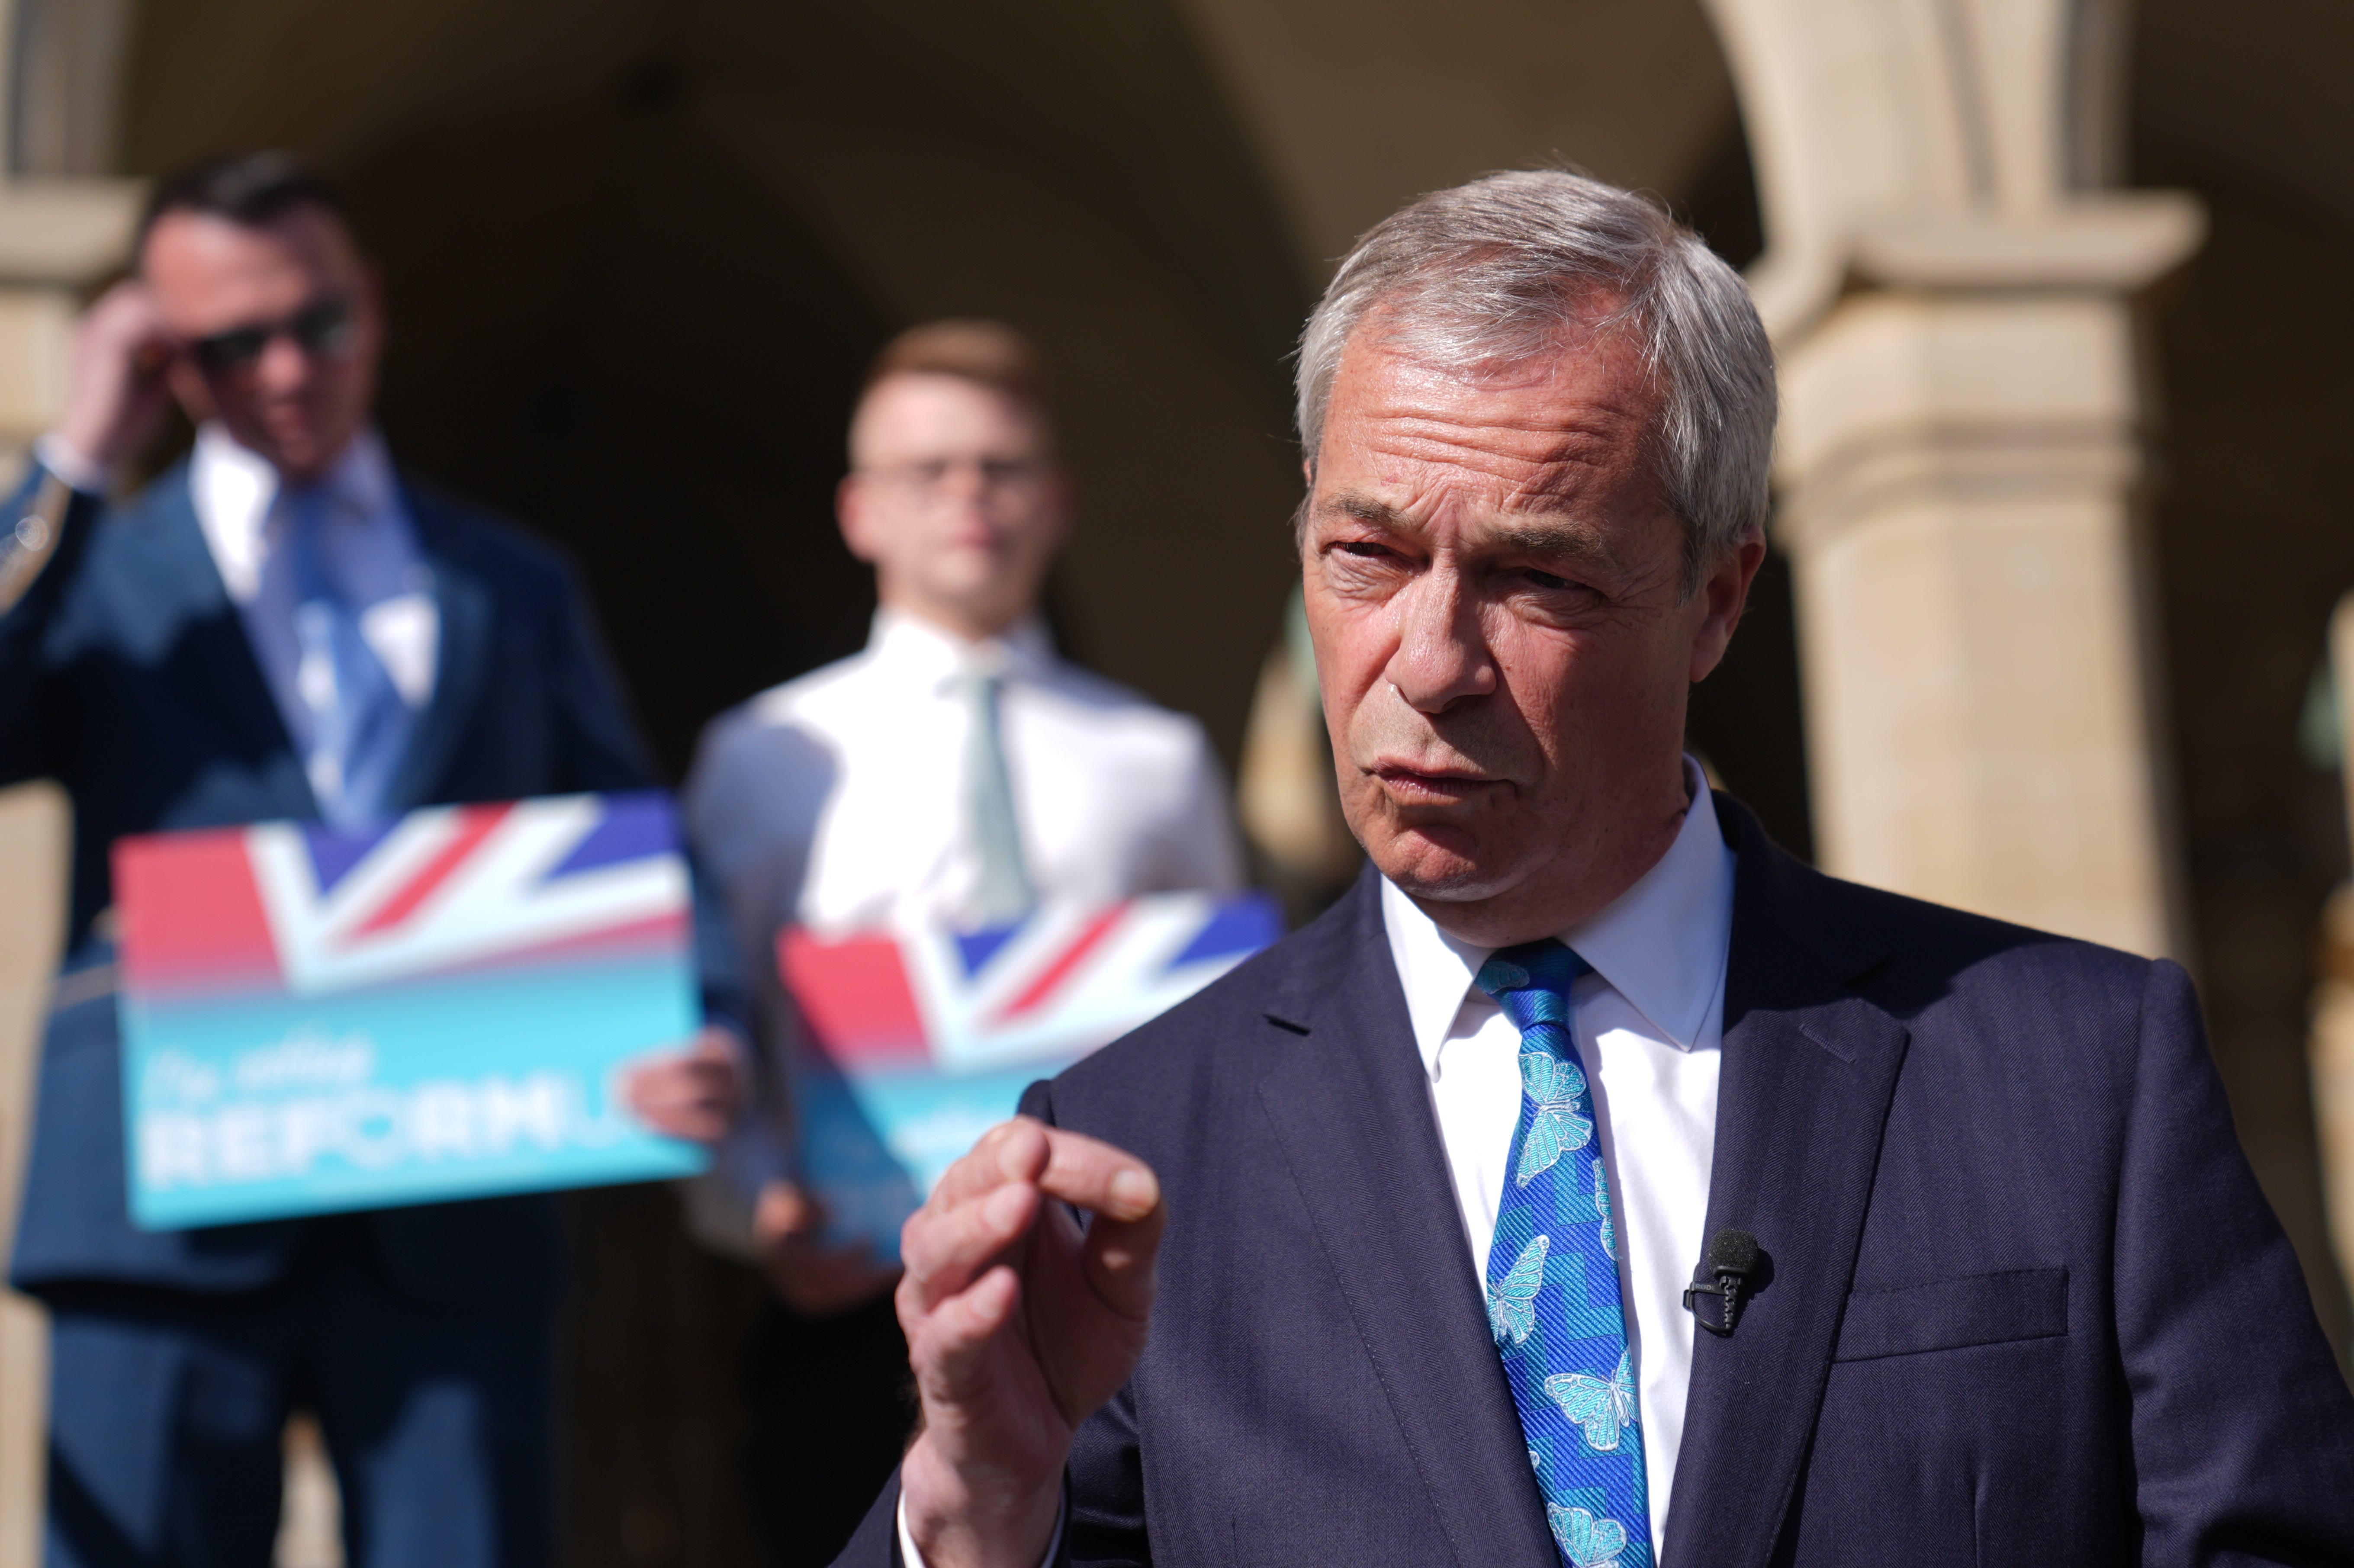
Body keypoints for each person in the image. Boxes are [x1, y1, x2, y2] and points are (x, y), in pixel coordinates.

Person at [834, 172, 2354, 1568]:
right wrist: (975, 1515)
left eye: (1537, 576)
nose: (1429, 662)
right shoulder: (1131, 1157)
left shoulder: (2074, 1076)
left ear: (1715, 599)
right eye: (1368, 558)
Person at [0, 151, 741, 1568]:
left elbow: (637, 835)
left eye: (320, 322)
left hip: (455, 1207)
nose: (288, 370)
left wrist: (699, 1019)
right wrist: (78, 450)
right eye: (233, 343)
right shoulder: (102, 571)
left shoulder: (512, 583)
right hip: (159, 1197)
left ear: (375, 306)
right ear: (164, 353)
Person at [683, 320, 1244, 1567]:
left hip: (1118, 1310)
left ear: (1058, 501)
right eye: (928, 470)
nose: (969, 497)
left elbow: (1225, 1028)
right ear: (859, 510)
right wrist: (755, 1210)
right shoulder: (762, 758)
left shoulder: (1156, 759)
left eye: (1001, 467)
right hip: (855, 1316)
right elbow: (701, 1022)